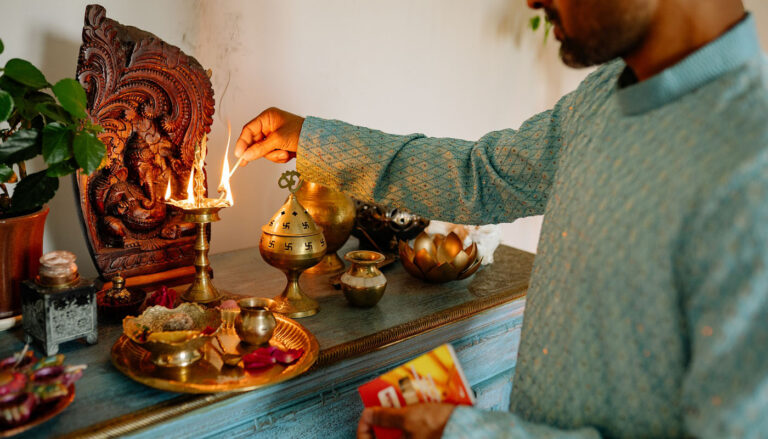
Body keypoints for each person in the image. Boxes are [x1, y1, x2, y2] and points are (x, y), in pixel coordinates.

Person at [235, 0, 768, 437]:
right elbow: (481, 176)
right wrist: (313, 139)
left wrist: (472, 435)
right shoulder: (602, 97)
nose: (534, 2)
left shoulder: (750, 171)